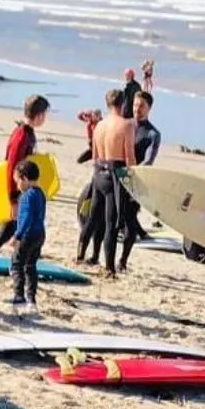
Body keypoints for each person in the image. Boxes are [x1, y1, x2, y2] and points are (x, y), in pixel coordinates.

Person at [0, 95, 49, 271]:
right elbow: (11, 168)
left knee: (14, 231)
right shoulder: (22, 136)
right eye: (44, 114)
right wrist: (13, 199)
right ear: (39, 115)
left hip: (23, 190)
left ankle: (15, 266)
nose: (45, 118)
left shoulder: (27, 133)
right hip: (17, 191)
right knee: (5, 233)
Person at [76, 87, 135, 276]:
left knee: (93, 218)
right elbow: (129, 157)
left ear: (107, 104)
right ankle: (109, 267)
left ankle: (80, 254)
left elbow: (94, 155)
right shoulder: (126, 126)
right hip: (114, 176)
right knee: (111, 223)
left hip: (98, 173)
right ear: (123, 103)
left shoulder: (99, 126)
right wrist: (133, 182)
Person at [9, 159, 46, 310]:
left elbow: (26, 218)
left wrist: (17, 236)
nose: (17, 186)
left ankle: (19, 298)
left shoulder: (26, 196)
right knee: (31, 266)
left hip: (28, 235)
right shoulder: (40, 193)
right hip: (40, 235)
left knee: (16, 265)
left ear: (24, 178)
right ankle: (32, 300)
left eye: (17, 181)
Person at [132, 89, 161, 166]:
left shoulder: (153, 134)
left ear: (149, 108)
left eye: (141, 106)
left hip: (135, 172)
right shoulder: (124, 126)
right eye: (135, 105)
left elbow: (148, 162)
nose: (137, 109)